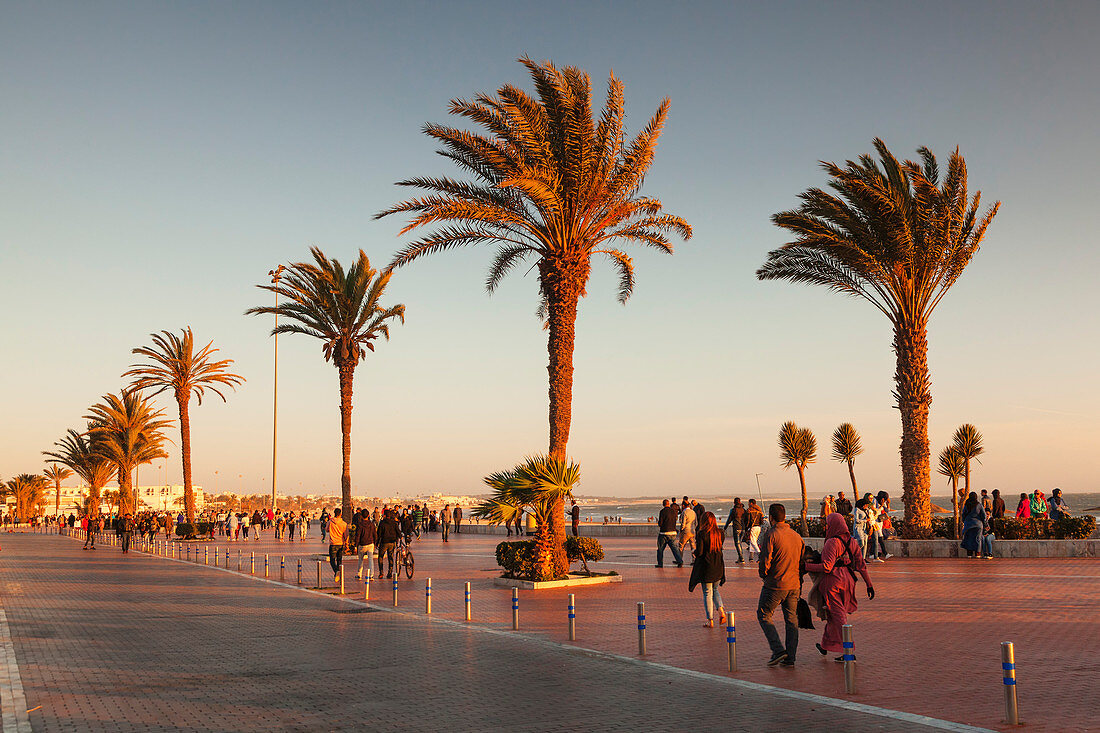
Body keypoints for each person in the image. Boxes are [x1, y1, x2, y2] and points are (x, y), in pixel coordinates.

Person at [805, 513, 875, 662]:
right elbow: (861, 565)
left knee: (838, 615)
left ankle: (849, 651)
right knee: (833, 614)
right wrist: (869, 585)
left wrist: (805, 566)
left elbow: (827, 567)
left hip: (833, 582)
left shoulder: (832, 542)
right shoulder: (852, 542)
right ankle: (825, 646)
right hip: (848, 580)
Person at [757, 503, 804, 667]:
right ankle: (790, 656)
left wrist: (763, 574)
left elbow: (765, 560)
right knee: (791, 619)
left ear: (771, 517)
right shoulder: (796, 536)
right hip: (794, 584)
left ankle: (778, 650)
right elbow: (801, 559)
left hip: (776, 584)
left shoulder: (772, 534)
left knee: (763, 614)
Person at [688, 512, 726, 628]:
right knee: (715, 590)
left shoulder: (702, 534)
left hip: (707, 567)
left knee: (707, 593)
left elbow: (700, 552)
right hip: (718, 566)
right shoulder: (720, 533)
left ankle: (710, 620)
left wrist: (694, 551)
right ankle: (721, 612)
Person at [655, 499, 684, 568]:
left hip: (664, 533)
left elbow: (660, 524)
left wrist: (658, 522)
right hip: (673, 532)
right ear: (668, 504)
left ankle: (660, 563)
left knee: (660, 549)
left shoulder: (662, 511)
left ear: (663, 504)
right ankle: (680, 561)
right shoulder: (673, 511)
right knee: (674, 549)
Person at [960, 492, 988, 559]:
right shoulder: (979, 505)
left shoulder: (966, 505)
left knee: (968, 539)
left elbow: (963, 514)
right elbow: (984, 516)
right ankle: (977, 554)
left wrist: (964, 521)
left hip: (968, 524)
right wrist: (985, 524)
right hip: (978, 525)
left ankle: (969, 554)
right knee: (977, 539)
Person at [376, 510, 401, 578]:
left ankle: (381, 572)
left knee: (380, 557)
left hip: (384, 542)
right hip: (392, 542)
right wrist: (400, 538)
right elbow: (398, 531)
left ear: (385, 515)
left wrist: (376, 543)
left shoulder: (382, 523)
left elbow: (379, 534)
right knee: (390, 557)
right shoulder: (394, 523)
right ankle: (390, 572)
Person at [353, 508, 375, 580]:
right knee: (370, 559)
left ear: (361, 516)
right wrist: (375, 543)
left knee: (360, 559)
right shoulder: (372, 524)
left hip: (362, 544)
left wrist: (355, 545)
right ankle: (371, 575)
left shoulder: (360, 525)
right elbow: (375, 534)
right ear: (368, 515)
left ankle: (359, 574)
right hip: (370, 544)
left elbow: (358, 535)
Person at [327, 508, 348, 580]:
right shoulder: (344, 524)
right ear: (340, 514)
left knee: (332, 560)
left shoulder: (330, 522)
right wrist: (346, 543)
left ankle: (336, 571)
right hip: (340, 543)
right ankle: (338, 572)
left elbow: (326, 530)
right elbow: (346, 535)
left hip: (333, 543)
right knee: (339, 559)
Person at [723, 498, 746, 563]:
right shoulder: (743, 510)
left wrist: (725, 527)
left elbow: (729, 519)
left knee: (737, 544)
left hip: (736, 528)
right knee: (740, 543)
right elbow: (746, 519)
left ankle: (741, 558)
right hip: (743, 528)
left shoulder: (733, 510)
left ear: (734, 503)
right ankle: (740, 558)